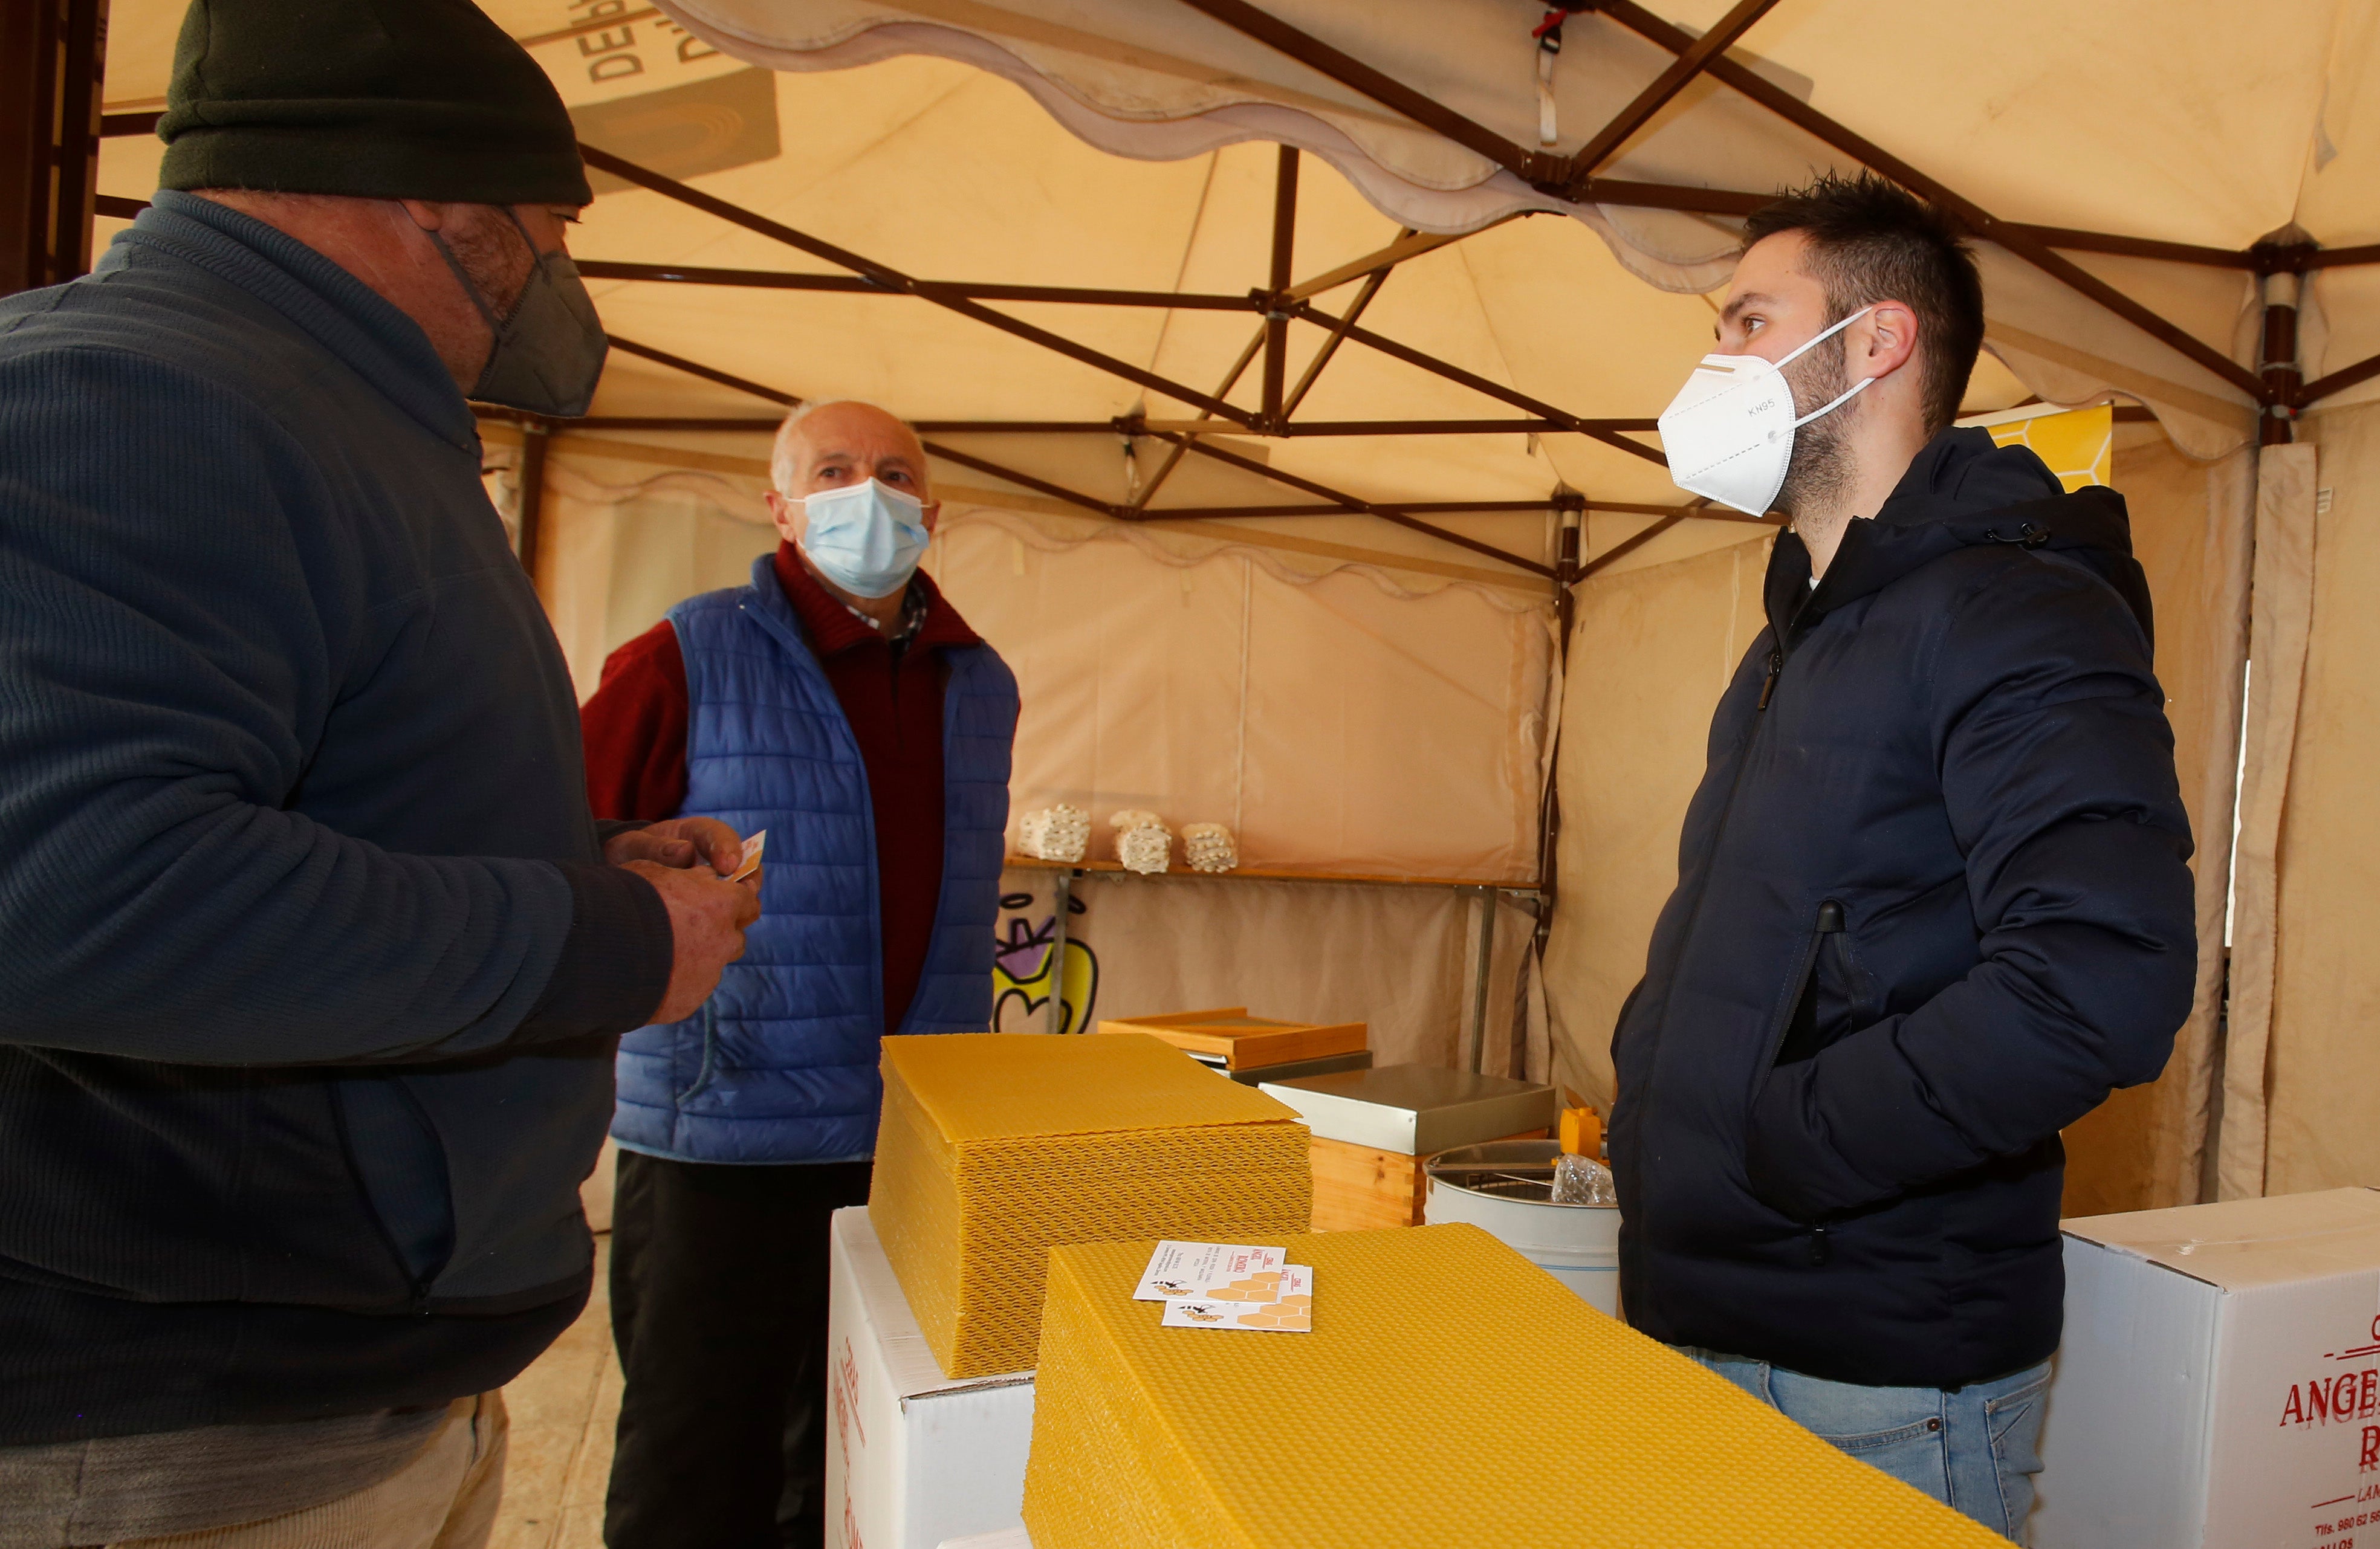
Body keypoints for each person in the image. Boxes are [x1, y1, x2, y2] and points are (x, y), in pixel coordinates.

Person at [0, 2, 762, 1544]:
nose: (556, 277)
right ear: (437, 201)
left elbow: (294, 795)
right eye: (550, 231)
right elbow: (68, 886)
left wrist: (579, 858)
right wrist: (601, 941)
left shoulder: (314, 414)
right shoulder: (140, 399)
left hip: (310, 1388)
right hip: (174, 1428)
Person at [1613, 172, 2196, 1540]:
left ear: (1875, 341)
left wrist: (1776, 1145)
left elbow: (2096, 981)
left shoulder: (2015, 609)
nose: (1716, 363)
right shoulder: (1796, 635)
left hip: (1869, 1371)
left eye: (1749, 322)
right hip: (1701, 1316)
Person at [579, 399, 1019, 1548]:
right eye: (832, 471)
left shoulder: (979, 680)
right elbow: (561, 835)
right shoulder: (687, 652)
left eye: (893, 473)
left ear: (932, 511)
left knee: (851, 1457)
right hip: (728, 1130)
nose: (867, 493)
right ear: (780, 507)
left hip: (903, 1144)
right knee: (696, 1460)